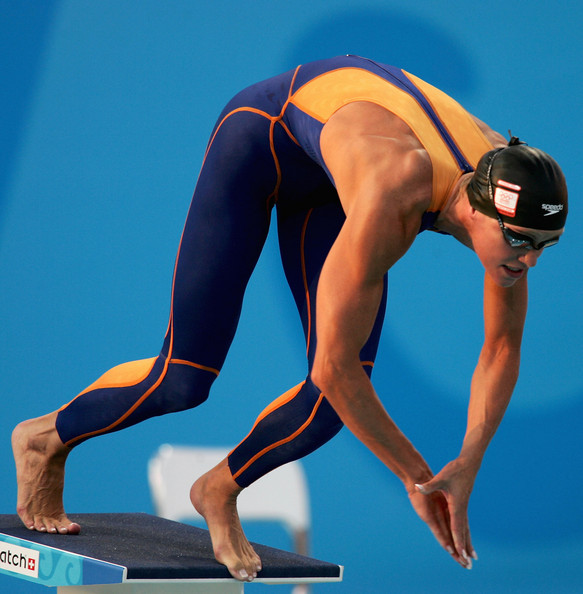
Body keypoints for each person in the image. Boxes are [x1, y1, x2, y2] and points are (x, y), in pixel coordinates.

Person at [12, 55, 568, 581]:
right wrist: (418, 478)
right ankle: (44, 438)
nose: (531, 260)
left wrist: (468, 461)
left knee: (328, 408)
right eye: (521, 241)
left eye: (546, 245)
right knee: (183, 377)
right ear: (477, 208)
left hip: (330, 172)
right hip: (262, 140)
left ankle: (218, 489)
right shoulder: (395, 193)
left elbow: (502, 348)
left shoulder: (512, 188)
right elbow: (334, 367)